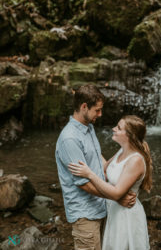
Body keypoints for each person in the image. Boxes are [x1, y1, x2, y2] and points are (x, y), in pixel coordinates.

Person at [55, 85, 136, 250]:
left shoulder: (88, 127)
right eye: (97, 110)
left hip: (101, 206)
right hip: (85, 215)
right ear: (84, 106)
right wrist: (117, 197)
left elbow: (98, 160)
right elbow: (84, 183)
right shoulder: (69, 139)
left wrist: (127, 157)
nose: (100, 114)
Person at [68, 115, 152, 250]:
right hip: (115, 211)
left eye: (118, 128)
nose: (113, 129)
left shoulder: (135, 160)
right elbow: (105, 169)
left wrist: (89, 173)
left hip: (126, 215)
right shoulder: (122, 151)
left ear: (129, 135)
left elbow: (117, 193)